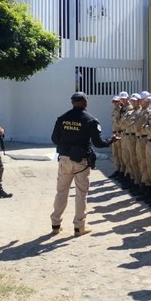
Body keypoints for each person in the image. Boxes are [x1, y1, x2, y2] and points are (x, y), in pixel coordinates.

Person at [50, 92, 118, 237]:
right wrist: (111, 140)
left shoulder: (62, 118)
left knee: (61, 192)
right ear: (85, 102)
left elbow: (55, 139)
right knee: (81, 194)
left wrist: (67, 143)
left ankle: (55, 224)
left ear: (72, 103)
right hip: (81, 161)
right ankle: (79, 227)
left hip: (64, 159)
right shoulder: (90, 120)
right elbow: (98, 143)